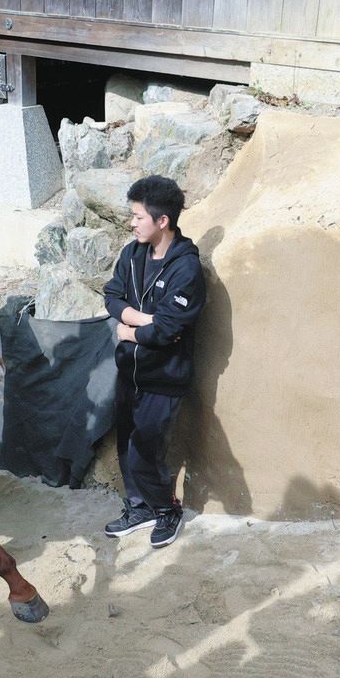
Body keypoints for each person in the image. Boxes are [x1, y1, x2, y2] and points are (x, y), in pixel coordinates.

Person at [101, 175, 206, 549]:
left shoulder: (186, 268)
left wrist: (131, 331)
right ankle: (138, 507)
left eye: (138, 216)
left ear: (163, 221)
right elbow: (111, 295)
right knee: (127, 445)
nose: (132, 223)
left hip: (164, 377)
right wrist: (139, 317)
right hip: (128, 371)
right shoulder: (132, 254)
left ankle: (166, 510)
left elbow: (168, 331)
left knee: (146, 448)